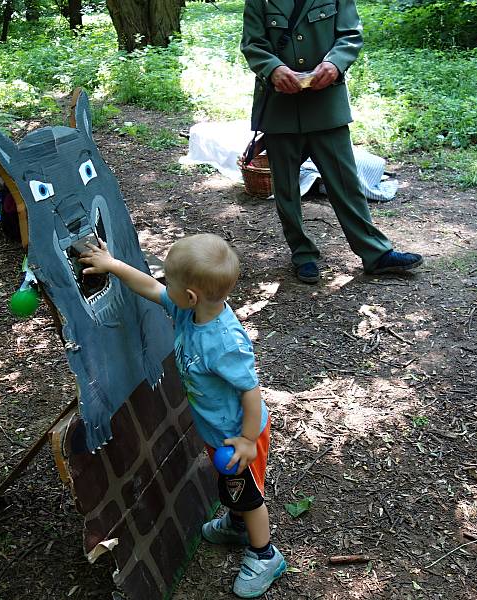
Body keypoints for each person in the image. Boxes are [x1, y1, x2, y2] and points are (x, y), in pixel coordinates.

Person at [81, 234, 286, 598]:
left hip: (237, 437)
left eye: (170, 282)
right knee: (232, 490)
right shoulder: (188, 310)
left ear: (190, 295)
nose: (164, 287)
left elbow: (251, 393)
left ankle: (265, 554)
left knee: (248, 495)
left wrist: (247, 440)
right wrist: (112, 265)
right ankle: (238, 525)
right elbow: (149, 287)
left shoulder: (224, 342)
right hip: (217, 432)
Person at [241, 0, 423, 284]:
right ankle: (302, 254)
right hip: (280, 107)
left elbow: (350, 34)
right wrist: (273, 68)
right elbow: (253, 43)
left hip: (326, 106)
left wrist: (334, 63)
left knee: (346, 182)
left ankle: (375, 254)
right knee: (287, 189)